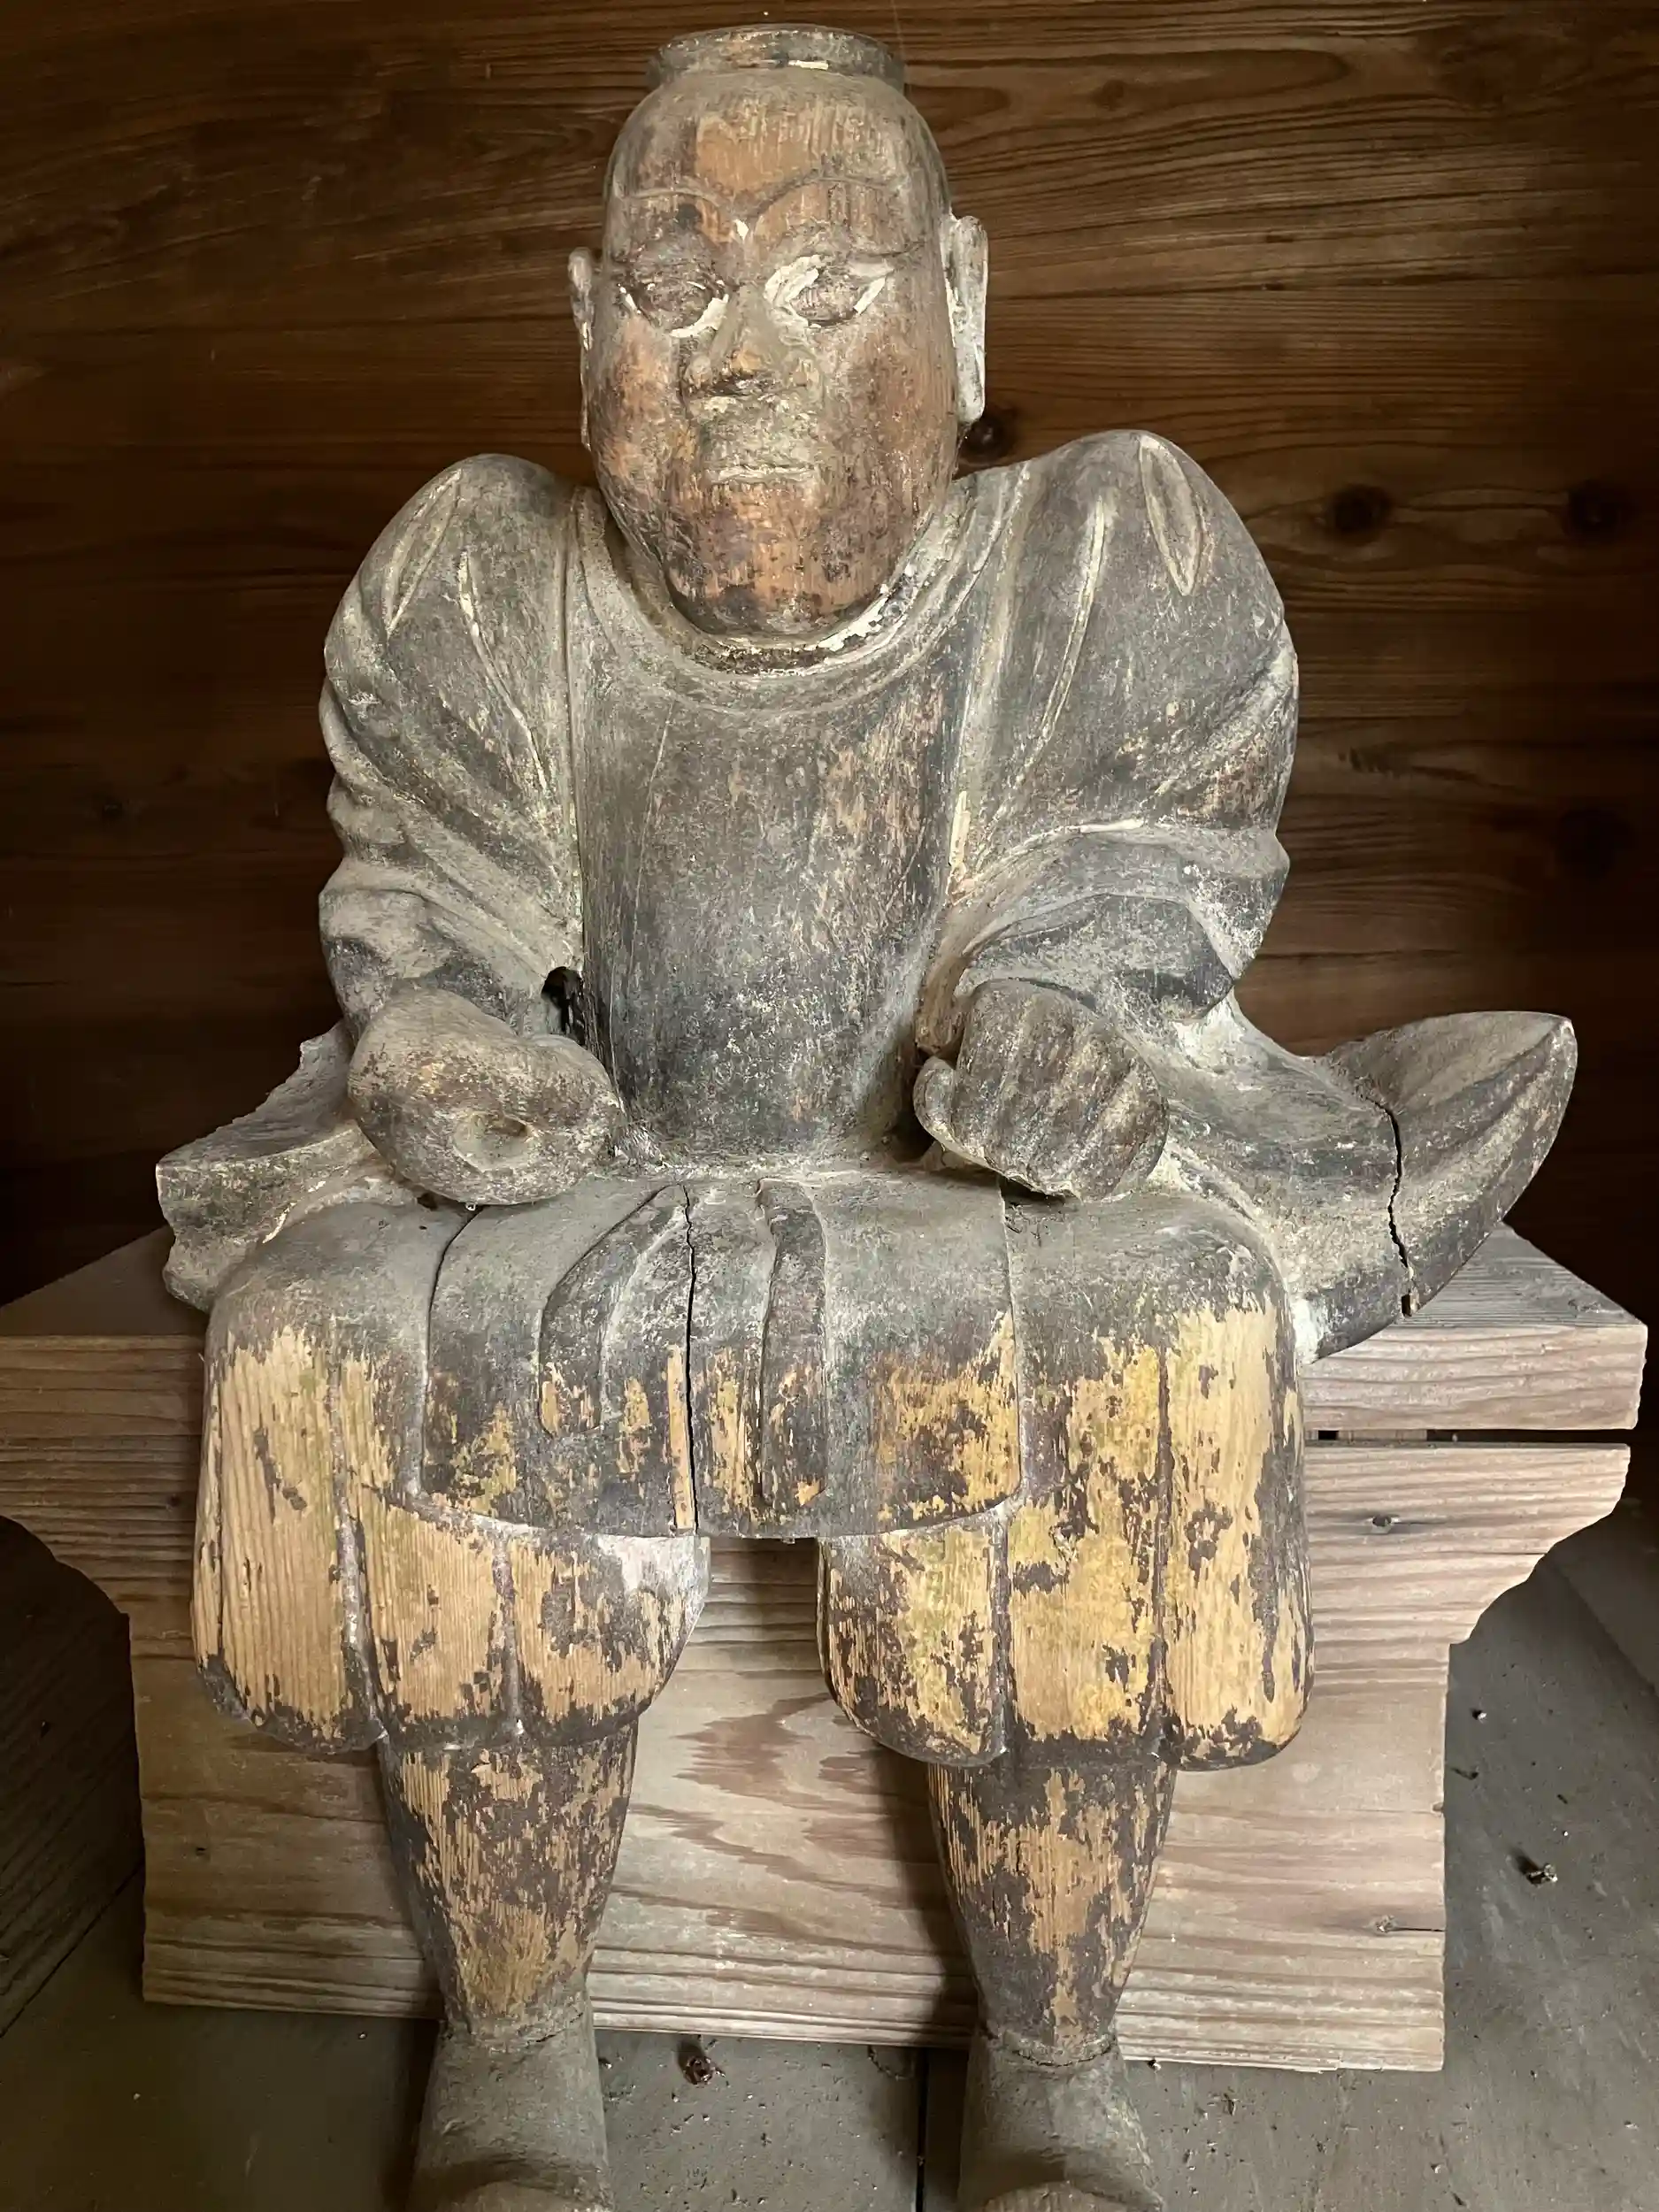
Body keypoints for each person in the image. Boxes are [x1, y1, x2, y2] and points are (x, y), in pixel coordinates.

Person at [161, 28, 1573, 2212]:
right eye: (677, 292)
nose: (742, 359)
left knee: (1150, 1341)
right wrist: (447, 1040)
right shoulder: (485, 582)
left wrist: (1064, 1020)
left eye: (830, 291)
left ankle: (1055, 2047)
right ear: (584, 325)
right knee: (357, 1326)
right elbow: (437, 902)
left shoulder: (1094, 560)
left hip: (956, 1197)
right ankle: (514, 2031)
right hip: (598, 1178)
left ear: (965, 308)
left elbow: (1124, 872)